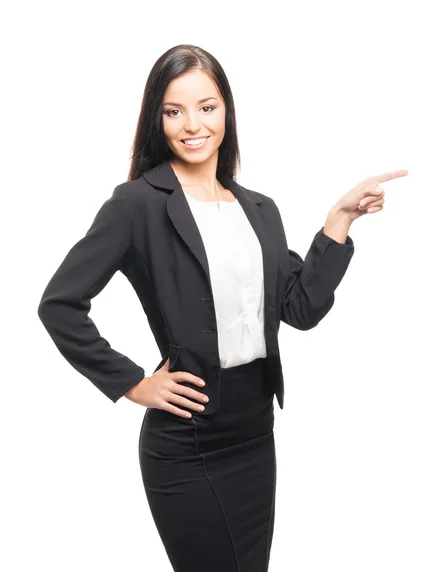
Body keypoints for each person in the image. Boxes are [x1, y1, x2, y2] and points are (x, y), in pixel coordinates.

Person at [37, 44, 408, 572]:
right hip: (187, 441)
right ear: (157, 120)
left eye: (206, 107)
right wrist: (133, 382)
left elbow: (300, 308)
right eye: (174, 110)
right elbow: (60, 304)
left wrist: (339, 221)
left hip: (255, 435)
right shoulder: (136, 205)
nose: (192, 124)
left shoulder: (258, 209)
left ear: (226, 112)